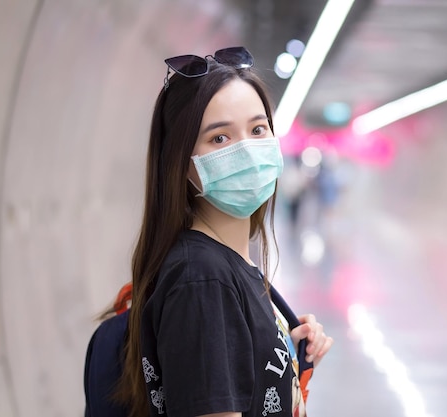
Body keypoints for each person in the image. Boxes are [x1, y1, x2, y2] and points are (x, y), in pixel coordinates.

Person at [100, 47, 332, 417]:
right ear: (181, 162)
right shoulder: (203, 279)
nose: (248, 151)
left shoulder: (226, 265)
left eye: (258, 129)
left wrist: (285, 361)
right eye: (220, 138)